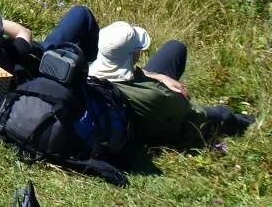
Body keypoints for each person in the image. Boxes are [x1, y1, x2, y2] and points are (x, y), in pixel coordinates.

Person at [88, 20, 253, 147]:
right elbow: (188, 108)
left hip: (135, 107)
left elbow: (124, 72)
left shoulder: (88, 75)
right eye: (136, 49)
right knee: (222, 115)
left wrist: (156, 75)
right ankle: (253, 123)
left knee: (175, 47)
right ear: (131, 56)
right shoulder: (155, 95)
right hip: (162, 128)